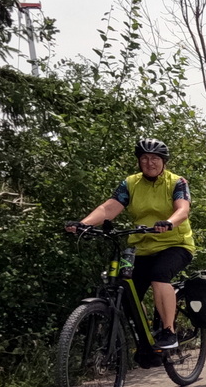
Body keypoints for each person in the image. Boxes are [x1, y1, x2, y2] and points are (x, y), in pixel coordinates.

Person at [70, 139, 194, 351]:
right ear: (138, 161)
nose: (149, 163)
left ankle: (168, 331)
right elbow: (109, 208)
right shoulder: (130, 184)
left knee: (159, 274)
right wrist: (84, 224)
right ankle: (146, 338)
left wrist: (169, 223)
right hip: (141, 246)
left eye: (155, 158)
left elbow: (182, 209)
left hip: (175, 243)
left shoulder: (176, 182)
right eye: (144, 158)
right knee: (126, 291)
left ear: (163, 162)